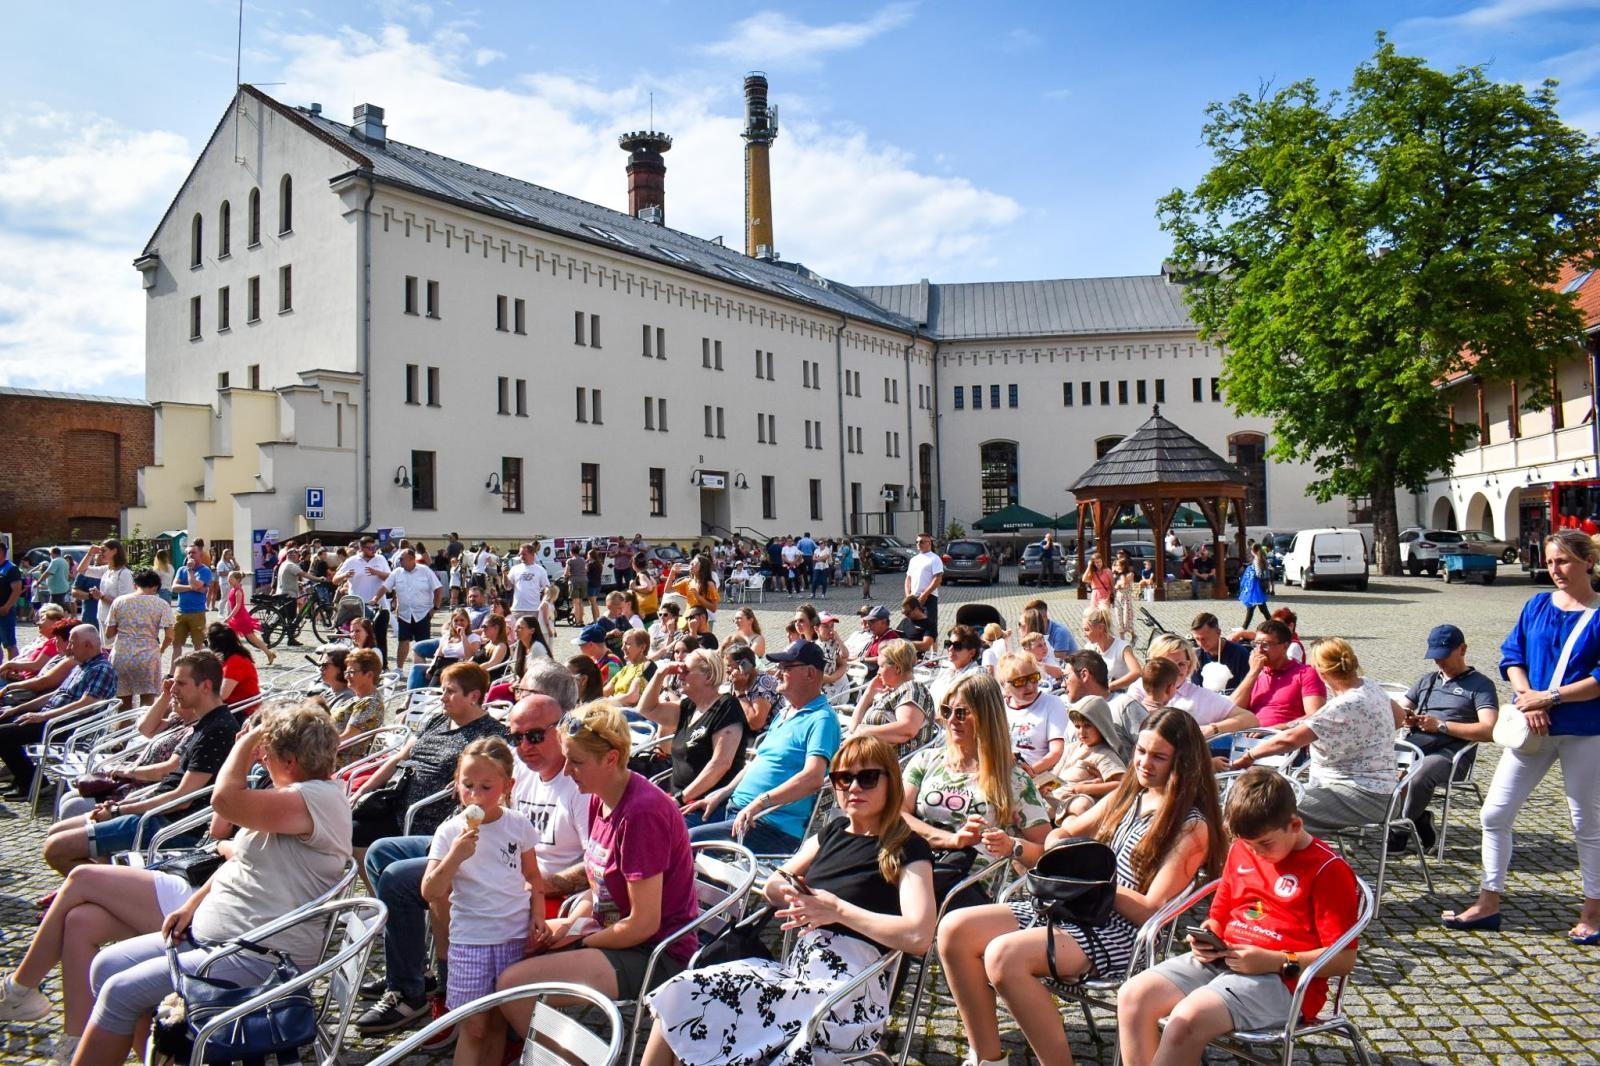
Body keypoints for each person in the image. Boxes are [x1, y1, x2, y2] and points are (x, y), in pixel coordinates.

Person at [937, 708, 1224, 1066]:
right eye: (1141, 751)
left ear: (1183, 762)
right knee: (954, 928)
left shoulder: (1190, 825)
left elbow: (1152, 910)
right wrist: (1064, 840)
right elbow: (1066, 833)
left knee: (1004, 955)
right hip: (1076, 906)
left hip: (1119, 931)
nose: (1144, 763)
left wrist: (1092, 882)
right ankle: (987, 1058)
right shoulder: (1131, 795)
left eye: (1158, 756)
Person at [71, 701, 352, 1066]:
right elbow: (243, 861)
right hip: (223, 940)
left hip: (258, 955)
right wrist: (192, 904)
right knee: (106, 965)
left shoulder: (313, 799)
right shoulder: (297, 796)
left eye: (267, 755)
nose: (262, 760)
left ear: (290, 762)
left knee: (119, 990)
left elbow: (223, 800)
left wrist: (245, 741)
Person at [643, 736, 937, 1066]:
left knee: (708, 1007)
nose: (854, 786)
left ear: (890, 782)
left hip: (847, 992)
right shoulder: (833, 832)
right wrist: (795, 894)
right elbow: (774, 884)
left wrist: (836, 910)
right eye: (843, 778)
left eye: (867, 777)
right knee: (682, 993)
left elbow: (918, 936)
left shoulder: (906, 846)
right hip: (798, 974)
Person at [359, 668, 588, 1035]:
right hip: (489, 846)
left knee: (401, 880)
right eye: (516, 737)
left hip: (526, 872)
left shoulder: (579, 782)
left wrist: (547, 882)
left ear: (561, 727)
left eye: (534, 736)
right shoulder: (523, 768)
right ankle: (418, 968)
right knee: (382, 852)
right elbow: (489, 790)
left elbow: (594, 862)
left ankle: (416, 988)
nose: (523, 746)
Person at [1117, 767, 1361, 1066]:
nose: (1256, 854)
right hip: (1225, 959)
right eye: (1247, 844)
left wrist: (1274, 960)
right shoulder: (1241, 848)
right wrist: (1208, 935)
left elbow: (1343, 960)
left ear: (1295, 825)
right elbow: (1219, 914)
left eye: (1265, 845)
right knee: (1133, 996)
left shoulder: (1328, 870)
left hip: (1285, 982)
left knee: (1186, 1020)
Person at [493, 700, 698, 1030]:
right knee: (503, 953)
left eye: (576, 762)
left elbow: (643, 924)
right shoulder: (598, 797)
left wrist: (582, 938)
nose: (568, 771)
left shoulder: (641, 813)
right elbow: (598, 885)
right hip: (615, 934)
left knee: (513, 986)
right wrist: (574, 923)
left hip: (657, 954)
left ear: (611, 758)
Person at [1443, 528, 1600, 942]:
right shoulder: (1536, 605)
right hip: (1531, 727)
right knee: (1494, 813)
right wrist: (1527, 696)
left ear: (1587, 562)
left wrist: (1550, 697)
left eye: (1563, 561)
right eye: (1549, 562)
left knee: (1585, 821)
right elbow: (1512, 656)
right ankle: (1488, 902)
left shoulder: (1599, 612)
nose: (1555, 570)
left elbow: (1599, 679)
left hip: (1584, 730)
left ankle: (1593, 911)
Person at [39, 652, 236, 875]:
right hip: (156, 813)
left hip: (170, 826)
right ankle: (90, 889)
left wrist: (119, 809)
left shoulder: (218, 730)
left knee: (56, 849)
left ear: (206, 686)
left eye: (181, 683)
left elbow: (181, 799)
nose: (173, 689)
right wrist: (122, 804)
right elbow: (168, 776)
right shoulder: (204, 724)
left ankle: (101, 894)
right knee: (57, 831)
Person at [422, 737, 545, 1066]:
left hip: (513, 937)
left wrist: (538, 914)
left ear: (508, 786)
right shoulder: (450, 832)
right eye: (467, 785)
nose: (474, 795)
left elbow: (533, 876)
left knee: (497, 1024)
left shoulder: (518, 825)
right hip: (471, 941)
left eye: (486, 787)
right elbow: (430, 890)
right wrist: (455, 856)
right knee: (474, 1026)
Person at [1228, 638, 1402, 837]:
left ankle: (1267, 863)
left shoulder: (1344, 705)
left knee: (1271, 810)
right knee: (1273, 801)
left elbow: (1289, 740)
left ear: (1321, 671)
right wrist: (1366, 737)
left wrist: (1248, 756)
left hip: (1363, 794)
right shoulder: (1369, 686)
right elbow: (1399, 717)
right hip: (1378, 789)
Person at [903, 674, 1052, 904]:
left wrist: (1011, 845)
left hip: (970, 885)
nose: (952, 720)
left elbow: (1046, 852)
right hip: (915, 866)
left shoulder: (1013, 780)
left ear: (986, 717)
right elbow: (896, 814)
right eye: (946, 711)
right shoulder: (926, 761)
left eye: (961, 712)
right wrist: (952, 840)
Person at [684, 640, 842, 855]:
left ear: (810, 673)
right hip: (740, 812)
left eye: (786, 668)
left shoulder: (822, 719)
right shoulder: (785, 713)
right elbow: (758, 761)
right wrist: (720, 793)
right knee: (672, 822)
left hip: (771, 826)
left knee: (693, 841)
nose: (777, 673)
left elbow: (813, 777)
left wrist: (760, 803)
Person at [350, 661, 506, 861]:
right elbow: (399, 757)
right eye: (443, 690)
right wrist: (364, 790)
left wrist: (462, 780)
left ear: (474, 696)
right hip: (397, 802)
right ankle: (379, 890)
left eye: (450, 692)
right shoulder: (437, 720)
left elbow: (495, 777)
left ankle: (396, 888)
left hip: (432, 813)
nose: (442, 698)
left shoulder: (491, 734)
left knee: (373, 840)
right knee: (354, 830)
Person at [1389, 624, 1499, 854]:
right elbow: (1399, 711)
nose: (1439, 662)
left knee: (1419, 774)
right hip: (1418, 745)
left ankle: (1399, 830)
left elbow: (1489, 730)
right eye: (1435, 657)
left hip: (1452, 754)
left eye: (1444, 656)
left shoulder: (1481, 686)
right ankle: (1418, 818)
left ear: (1462, 649)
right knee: (1384, 767)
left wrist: (1441, 726)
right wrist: (1407, 717)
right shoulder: (1427, 680)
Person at [0, 624, 118, 799]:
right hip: (51, 718)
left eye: (72, 643)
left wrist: (43, 715)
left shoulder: (102, 669)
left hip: (66, 726)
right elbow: (54, 695)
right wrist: (17, 709)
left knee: (2, 735)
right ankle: (25, 778)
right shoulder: (81, 665)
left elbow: (86, 704)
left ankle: (32, 782)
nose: (68, 648)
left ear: (87, 645)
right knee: (3, 721)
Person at [637, 649, 748, 806]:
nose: (679, 675)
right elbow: (646, 709)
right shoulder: (688, 707)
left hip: (708, 802)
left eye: (686, 671)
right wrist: (661, 673)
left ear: (708, 676)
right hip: (679, 798)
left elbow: (720, 764)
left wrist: (680, 799)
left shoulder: (726, 706)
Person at [1128, 633, 1258, 743]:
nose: (1176, 670)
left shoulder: (1200, 696)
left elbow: (1250, 719)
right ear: (1153, 664)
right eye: (1168, 664)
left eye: (1181, 664)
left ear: (1190, 665)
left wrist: (1212, 729)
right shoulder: (1139, 687)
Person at [1229, 618, 1327, 728]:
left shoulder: (1305, 673)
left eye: (1266, 644)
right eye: (1256, 644)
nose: (1259, 650)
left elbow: (1315, 717)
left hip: (1286, 738)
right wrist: (1252, 673)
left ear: (1285, 646)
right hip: (1249, 737)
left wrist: (1276, 729)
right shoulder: (1255, 675)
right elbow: (1231, 711)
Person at [848, 637, 936, 755]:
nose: (878, 672)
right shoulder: (893, 691)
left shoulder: (912, 690)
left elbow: (907, 730)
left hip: (891, 767)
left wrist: (865, 732)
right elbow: (853, 728)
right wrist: (869, 693)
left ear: (898, 669)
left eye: (881, 666)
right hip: (868, 760)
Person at [103, 570, 171, 708]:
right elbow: (170, 636)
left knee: (123, 705)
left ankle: (123, 727)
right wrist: (161, 649)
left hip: (122, 654)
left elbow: (108, 633)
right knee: (146, 704)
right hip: (148, 655)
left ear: (135, 585)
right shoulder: (162, 604)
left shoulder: (119, 601)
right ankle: (143, 729)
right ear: (155, 587)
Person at [997, 651, 1069, 776]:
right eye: (1020, 681)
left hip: (1039, 776)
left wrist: (1027, 773)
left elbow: (1057, 752)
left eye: (1033, 678)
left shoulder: (1052, 704)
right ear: (1004, 684)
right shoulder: (999, 708)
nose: (1030, 686)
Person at [337, 536, 392, 666]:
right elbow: (335, 579)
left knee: (380, 636)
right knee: (359, 637)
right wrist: (345, 575)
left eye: (375, 547)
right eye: (370, 548)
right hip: (358, 606)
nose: (373, 550)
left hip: (379, 605)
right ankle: (358, 663)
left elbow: (390, 577)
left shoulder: (380, 559)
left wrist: (376, 572)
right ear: (361, 548)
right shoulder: (352, 561)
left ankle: (382, 665)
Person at [385, 548, 443, 671]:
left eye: (402, 559)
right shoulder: (397, 572)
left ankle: (422, 670)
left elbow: (438, 588)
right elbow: (385, 587)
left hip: (423, 613)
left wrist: (435, 607)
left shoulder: (425, 570)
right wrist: (375, 598)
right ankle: (399, 669)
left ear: (411, 559)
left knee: (422, 644)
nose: (399, 561)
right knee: (403, 641)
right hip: (404, 613)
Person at [331, 647, 386, 763]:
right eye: (346, 672)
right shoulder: (358, 698)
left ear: (369, 675)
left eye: (351, 672)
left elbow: (348, 738)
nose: (346, 676)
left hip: (339, 760)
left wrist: (315, 748)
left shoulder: (370, 702)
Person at [169, 546, 212, 672]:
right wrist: (193, 587)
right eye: (188, 553)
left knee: (197, 645)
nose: (190, 555)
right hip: (181, 612)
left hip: (197, 613)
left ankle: (197, 673)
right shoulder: (180, 569)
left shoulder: (205, 571)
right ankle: (172, 673)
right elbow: (174, 588)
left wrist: (190, 571)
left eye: (193, 553)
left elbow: (196, 584)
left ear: (200, 555)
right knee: (176, 644)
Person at [724, 643, 781, 735]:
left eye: (729, 665)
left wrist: (740, 692)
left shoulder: (763, 681)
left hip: (767, 737)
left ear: (744, 664)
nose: (726, 670)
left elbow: (756, 724)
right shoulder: (736, 683)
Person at [1080, 606, 1142, 691]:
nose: (1084, 634)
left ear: (1100, 628)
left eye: (1087, 630)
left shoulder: (1122, 648)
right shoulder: (1089, 648)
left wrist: (1111, 686)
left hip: (1121, 695)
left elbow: (1137, 672)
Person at [222, 569, 275, 665]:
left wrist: (229, 617)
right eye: (228, 578)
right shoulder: (233, 589)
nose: (228, 580)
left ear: (237, 580)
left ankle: (269, 653)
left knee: (253, 639)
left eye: (231, 578)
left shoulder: (238, 591)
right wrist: (229, 615)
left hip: (242, 618)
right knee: (229, 637)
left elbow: (238, 606)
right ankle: (229, 658)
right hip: (236, 618)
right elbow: (231, 605)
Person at [1191, 612, 1252, 693]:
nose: (1201, 644)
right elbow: (1196, 690)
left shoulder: (1240, 654)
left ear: (1218, 632)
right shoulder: (1197, 656)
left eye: (1205, 639)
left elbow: (1248, 688)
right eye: (1197, 639)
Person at [205, 622, 260, 708]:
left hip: (241, 710)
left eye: (207, 642)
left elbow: (222, 695)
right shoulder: (234, 656)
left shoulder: (235, 662)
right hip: (237, 706)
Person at [930, 625, 986, 707]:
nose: (950, 649)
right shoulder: (946, 669)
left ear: (971, 653)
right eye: (948, 644)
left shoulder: (975, 675)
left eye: (957, 646)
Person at [905, 533, 945, 636]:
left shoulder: (934, 558)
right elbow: (908, 578)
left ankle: (934, 651)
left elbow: (937, 579)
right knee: (912, 623)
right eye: (917, 541)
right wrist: (908, 595)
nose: (919, 544)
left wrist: (925, 594)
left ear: (929, 543)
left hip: (929, 596)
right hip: (914, 597)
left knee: (930, 623)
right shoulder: (914, 559)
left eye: (922, 541)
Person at [1237, 545, 1271, 629]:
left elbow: (1259, 574)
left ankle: (1244, 628)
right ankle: (1272, 625)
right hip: (1259, 587)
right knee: (1262, 609)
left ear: (1253, 551)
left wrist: (1251, 573)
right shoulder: (1262, 558)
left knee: (1252, 608)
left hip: (1256, 588)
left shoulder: (1257, 560)